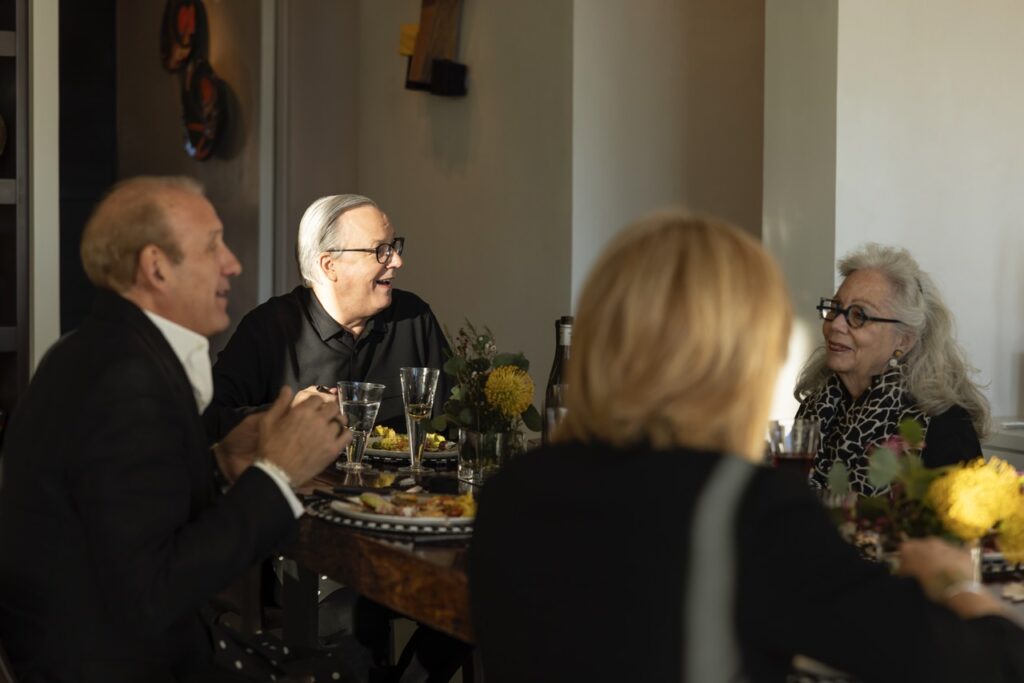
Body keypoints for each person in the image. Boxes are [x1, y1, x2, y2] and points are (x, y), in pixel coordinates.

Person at [468, 211, 1024, 682]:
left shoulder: (511, 493)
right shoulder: (748, 513)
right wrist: (955, 580)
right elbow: (983, 661)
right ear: (740, 352)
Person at [0, 177, 352, 681]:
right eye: (213, 245)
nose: (232, 263)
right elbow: (153, 593)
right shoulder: (125, 380)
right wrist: (277, 475)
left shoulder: (97, 351)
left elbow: (121, 519)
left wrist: (218, 464)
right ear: (156, 267)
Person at [204, 194, 450, 440]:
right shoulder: (269, 329)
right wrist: (284, 415)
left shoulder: (414, 318)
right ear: (329, 266)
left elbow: (455, 419)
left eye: (393, 246)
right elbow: (209, 420)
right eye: (380, 250)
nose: (397, 260)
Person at [795, 243, 990, 495]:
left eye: (859, 316)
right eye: (835, 309)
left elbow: (966, 529)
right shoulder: (816, 406)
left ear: (904, 340)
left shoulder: (944, 425)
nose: (836, 325)